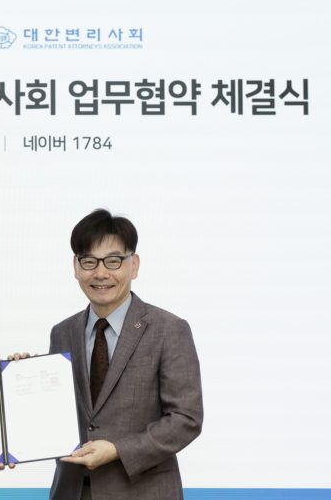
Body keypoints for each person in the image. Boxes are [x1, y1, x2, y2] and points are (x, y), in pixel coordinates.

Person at [49, 209, 203, 500]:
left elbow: (186, 418)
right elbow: (54, 415)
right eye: (89, 261)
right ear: (76, 266)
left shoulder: (169, 329)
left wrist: (118, 450)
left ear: (134, 265)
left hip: (143, 492)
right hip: (73, 491)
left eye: (113, 261)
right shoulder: (62, 333)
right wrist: (19, 379)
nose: (100, 273)